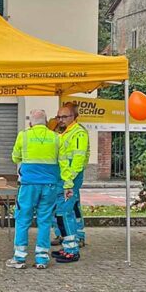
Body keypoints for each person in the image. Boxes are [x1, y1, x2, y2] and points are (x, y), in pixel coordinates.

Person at [6, 110, 60, 269]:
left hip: (29, 185)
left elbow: (15, 157)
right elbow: (61, 160)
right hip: (50, 185)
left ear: (31, 122)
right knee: (45, 220)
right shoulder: (56, 138)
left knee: (23, 219)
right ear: (46, 122)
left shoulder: (23, 136)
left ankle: (20, 257)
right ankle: (42, 258)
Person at [53, 103, 89, 264]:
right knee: (64, 211)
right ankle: (68, 246)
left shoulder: (79, 133)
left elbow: (77, 161)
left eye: (64, 116)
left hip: (70, 179)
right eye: (58, 116)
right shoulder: (64, 133)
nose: (60, 120)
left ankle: (72, 250)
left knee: (65, 213)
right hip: (64, 178)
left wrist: (69, 183)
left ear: (74, 117)